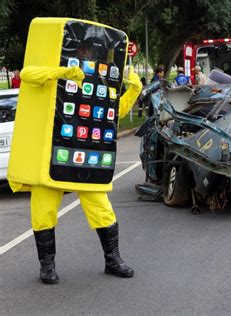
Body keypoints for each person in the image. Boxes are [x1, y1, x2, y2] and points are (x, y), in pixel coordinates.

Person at [8, 18, 143, 285]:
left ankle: (112, 258)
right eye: (84, 50)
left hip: (87, 153)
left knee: (102, 208)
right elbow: (27, 74)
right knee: (44, 210)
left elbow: (113, 116)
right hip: (51, 153)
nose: (89, 55)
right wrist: (61, 73)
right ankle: (47, 265)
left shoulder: (99, 79)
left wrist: (134, 89)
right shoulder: (55, 73)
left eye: (93, 51)